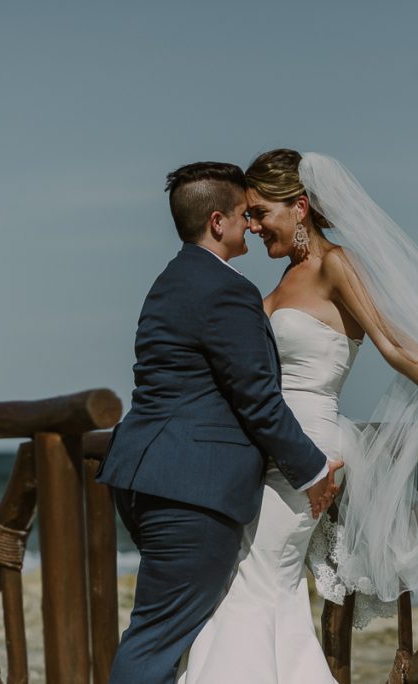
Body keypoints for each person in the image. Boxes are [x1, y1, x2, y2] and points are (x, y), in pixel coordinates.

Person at [180, 150, 418, 683]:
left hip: (309, 451)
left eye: (260, 213)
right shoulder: (277, 287)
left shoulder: (336, 265)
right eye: (248, 216)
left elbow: (395, 345)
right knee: (257, 584)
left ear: (299, 207)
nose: (252, 226)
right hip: (264, 451)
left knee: (255, 582)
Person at [96, 161, 344, 684]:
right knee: (157, 639)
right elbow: (256, 397)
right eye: (242, 215)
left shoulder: (174, 277)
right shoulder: (225, 289)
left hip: (150, 475)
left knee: (165, 632)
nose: (251, 225)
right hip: (192, 488)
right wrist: (314, 469)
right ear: (217, 222)